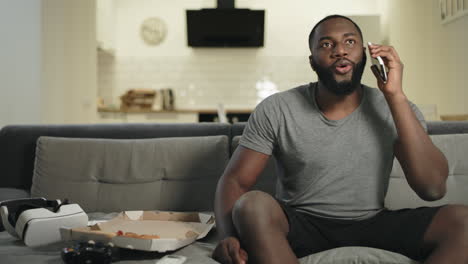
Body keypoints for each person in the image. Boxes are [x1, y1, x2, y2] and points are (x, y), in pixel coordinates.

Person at [212, 15, 468, 264]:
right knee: (251, 206)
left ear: (365, 55)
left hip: (373, 223)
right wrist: (227, 236)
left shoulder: (396, 107)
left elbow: (432, 188)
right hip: (301, 224)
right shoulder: (277, 108)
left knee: (464, 222)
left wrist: (396, 96)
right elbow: (235, 180)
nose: (340, 51)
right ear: (312, 62)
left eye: (350, 42)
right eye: (327, 44)